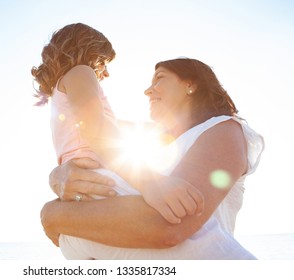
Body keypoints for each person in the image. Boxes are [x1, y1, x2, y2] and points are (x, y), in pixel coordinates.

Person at [40, 57, 265, 259]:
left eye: (159, 78)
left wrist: (52, 214)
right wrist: (59, 174)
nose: (148, 91)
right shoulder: (155, 142)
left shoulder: (222, 129)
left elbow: (167, 226)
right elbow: (93, 131)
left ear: (190, 84)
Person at [32, 23, 206, 258]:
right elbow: (97, 129)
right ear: (88, 52)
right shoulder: (81, 72)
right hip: (102, 182)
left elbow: (112, 125)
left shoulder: (61, 93)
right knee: (196, 235)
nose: (106, 73)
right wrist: (150, 182)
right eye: (103, 62)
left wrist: (164, 131)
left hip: (82, 195)